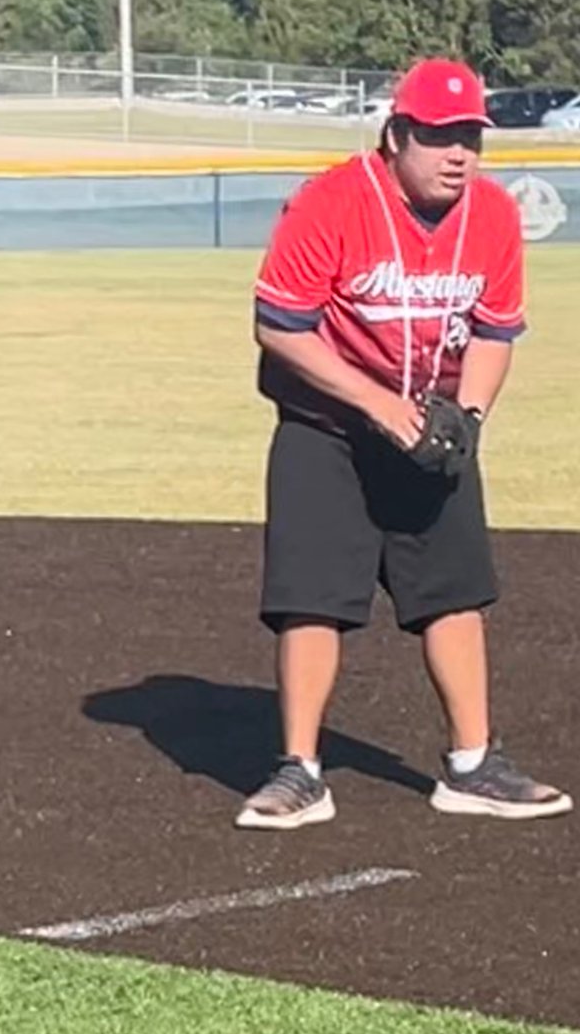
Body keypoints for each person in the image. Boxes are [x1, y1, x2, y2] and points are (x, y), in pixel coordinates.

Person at [238, 57, 572, 829]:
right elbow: (280, 327)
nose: (458, 153)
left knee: (454, 592)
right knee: (311, 599)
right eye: (438, 136)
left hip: (431, 422)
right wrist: (378, 404)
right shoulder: (332, 203)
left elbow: (494, 332)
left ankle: (473, 765)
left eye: (470, 137)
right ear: (397, 135)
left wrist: (472, 419)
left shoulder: (490, 214)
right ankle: (300, 771)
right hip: (325, 425)